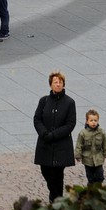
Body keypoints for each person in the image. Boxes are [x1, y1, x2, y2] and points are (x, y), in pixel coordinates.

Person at [33, 70, 76, 201]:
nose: (58, 84)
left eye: (60, 82)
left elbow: (70, 124)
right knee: (45, 170)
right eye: (55, 82)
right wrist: (44, 133)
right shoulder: (44, 101)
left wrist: (54, 135)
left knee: (57, 173)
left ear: (64, 84)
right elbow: (37, 119)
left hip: (60, 144)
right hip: (45, 143)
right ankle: (54, 193)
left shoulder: (69, 102)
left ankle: (57, 198)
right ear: (50, 85)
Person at [75, 108, 106, 184]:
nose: (93, 122)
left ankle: (98, 189)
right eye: (91, 120)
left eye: (95, 120)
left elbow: (105, 143)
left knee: (100, 176)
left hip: (98, 159)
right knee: (90, 178)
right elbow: (79, 145)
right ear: (87, 121)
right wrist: (78, 155)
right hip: (88, 159)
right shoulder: (83, 133)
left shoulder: (101, 132)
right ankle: (90, 191)